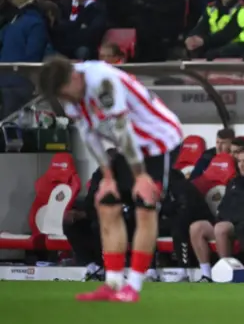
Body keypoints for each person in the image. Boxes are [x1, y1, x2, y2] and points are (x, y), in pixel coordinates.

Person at [38, 56, 184, 302]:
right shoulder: (70, 95)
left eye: (65, 93)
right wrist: (107, 176)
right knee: (106, 204)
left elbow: (121, 129)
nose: (68, 101)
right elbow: (88, 133)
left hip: (160, 143)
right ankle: (113, 283)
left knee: (145, 204)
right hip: (129, 148)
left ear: (74, 77)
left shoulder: (103, 81)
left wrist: (140, 177)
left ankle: (134, 287)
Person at [189, 146, 244, 282]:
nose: (241, 165)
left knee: (221, 228)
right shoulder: (235, 182)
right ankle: (206, 274)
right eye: (239, 161)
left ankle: (226, 272)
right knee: (196, 227)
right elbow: (224, 205)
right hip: (227, 222)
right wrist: (221, 217)